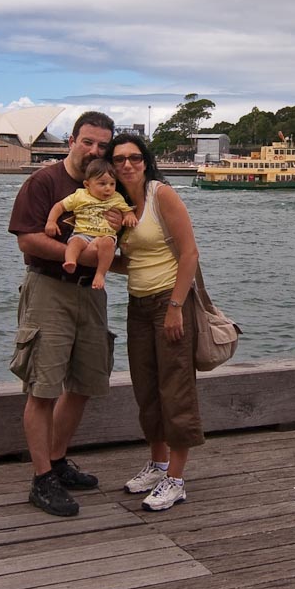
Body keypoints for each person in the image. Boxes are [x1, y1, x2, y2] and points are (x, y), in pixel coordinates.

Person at [8, 111, 123, 517]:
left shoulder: (109, 184)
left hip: (91, 293)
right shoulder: (44, 182)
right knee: (43, 386)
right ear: (71, 141)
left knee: (84, 382)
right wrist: (83, 256)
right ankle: (42, 478)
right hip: (49, 289)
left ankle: (57, 461)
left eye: (102, 145)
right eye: (87, 141)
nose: (94, 150)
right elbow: (27, 240)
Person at [108, 132, 204, 511]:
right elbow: (129, 261)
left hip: (169, 300)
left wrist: (176, 306)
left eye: (134, 157)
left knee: (175, 388)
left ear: (145, 161)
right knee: (146, 388)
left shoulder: (160, 195)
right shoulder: (117, 204)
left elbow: (189, 253)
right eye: (119, 159)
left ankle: (176, 480)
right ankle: (158, 464)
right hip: (138, 304)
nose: (127, 164)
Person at [45, 159, 137, 290]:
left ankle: (100, 274)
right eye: (102, 184)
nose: (108, 188)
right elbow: (59, 206)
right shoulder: (80, 195)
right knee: (74, 243)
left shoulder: (116, 198)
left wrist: (129, 216)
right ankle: (70, 261)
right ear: (87, 185)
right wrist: (51, 221)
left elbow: (126, 210)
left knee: (108, 245)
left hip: (105, 236)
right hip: (82, 233)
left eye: (112, 184)